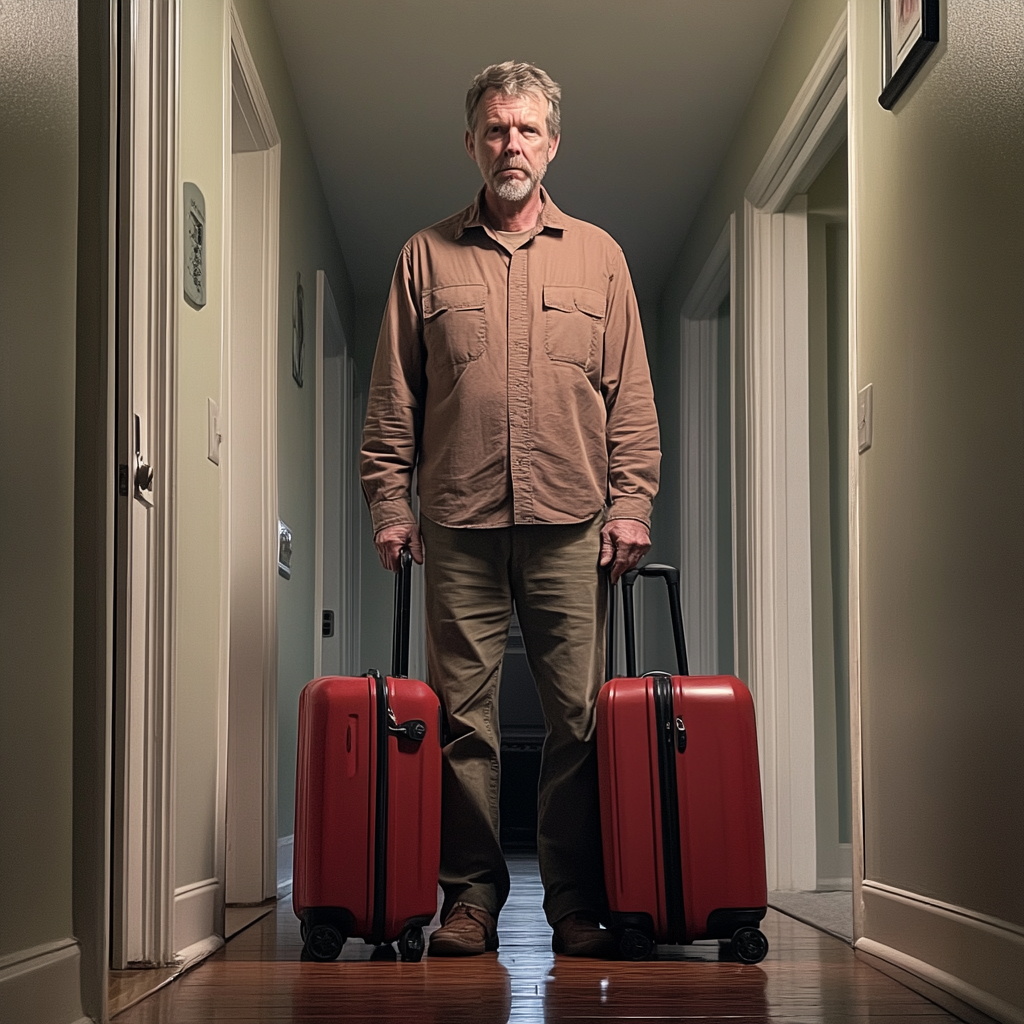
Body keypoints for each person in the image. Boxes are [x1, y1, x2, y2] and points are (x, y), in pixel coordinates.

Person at [361, 61, 660, 958]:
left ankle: (572, 902)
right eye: (496, 130)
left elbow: (630, 396)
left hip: (574, 520)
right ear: (471, 143)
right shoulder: (424, 256)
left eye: (527, 130)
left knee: (578, 718)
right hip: (457, 522)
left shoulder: (600, 256)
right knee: (463, 720)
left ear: (553, 142)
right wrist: (389, 502)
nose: (511, 145)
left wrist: (631, 501)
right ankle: (471, 901)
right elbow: (393, 400)